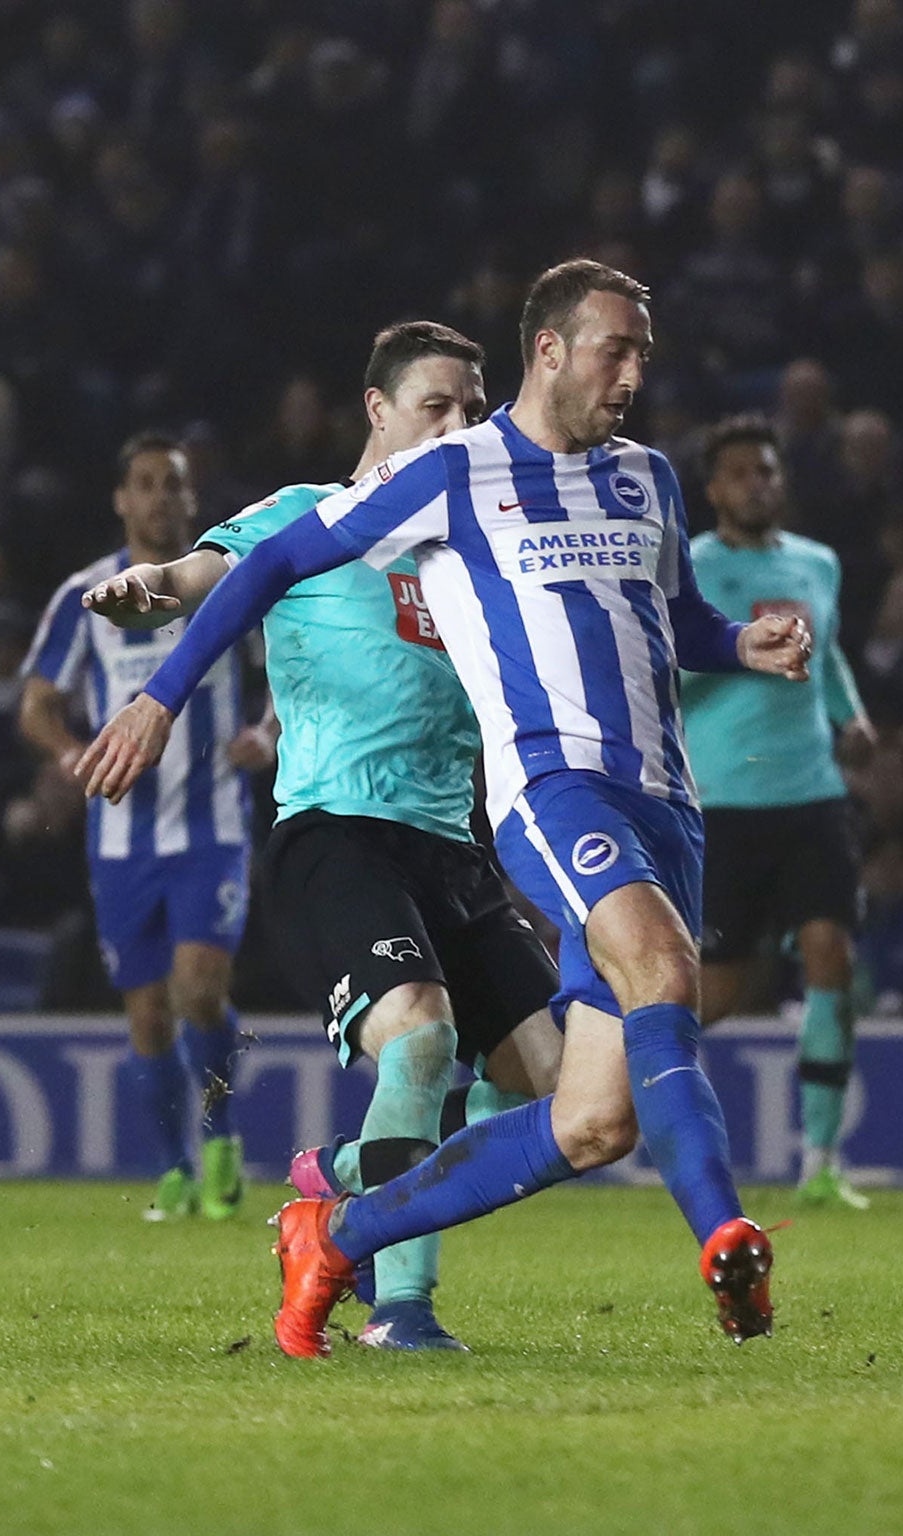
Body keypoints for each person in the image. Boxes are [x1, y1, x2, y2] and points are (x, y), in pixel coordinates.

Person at [78, 259, 813, 1355]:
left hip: (490, 832)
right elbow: (248, 563)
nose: (634, 370)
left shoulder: (636, 480)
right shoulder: (418, 487)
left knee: (585, 1114)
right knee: (452, 1038)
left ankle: (340, 1212)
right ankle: (452, 1300)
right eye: (616, 346)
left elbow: (665, 615)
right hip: (387, 822)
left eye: (467, 406)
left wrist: (739, 644)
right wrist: (158, 675)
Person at [81, 322, 565, 1350]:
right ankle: (401, 1313)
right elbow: (204, 575)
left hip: (456, 849)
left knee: (565, 1091)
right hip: (337, 835)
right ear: (378, 411)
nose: (459, 427)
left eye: (473, 409)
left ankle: (339, 1182)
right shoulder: (307, 516)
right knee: (424, 1039)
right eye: (436, 406)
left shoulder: (466, 540)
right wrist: (147, 591)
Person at [20, 432, 270, 1222]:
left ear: (193, 501)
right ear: (121, 499)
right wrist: (69, 756)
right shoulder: (85, 595)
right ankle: (172, 1170)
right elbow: (37, 705)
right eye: (146, 484)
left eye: (174, 484)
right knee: (148, 1015)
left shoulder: (225, 580)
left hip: (211, 828)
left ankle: (221, 1134)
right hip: (122, 839)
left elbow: (288, 677)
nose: (160, 497)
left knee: (199, 989)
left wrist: (263, 737)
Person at [683, 413, 876, 1209]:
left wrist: (851, 715)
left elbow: (825, 652)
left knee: (832, 955)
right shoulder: (688, 567)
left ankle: (821, 1163)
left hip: (812, 793)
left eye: (766, 470)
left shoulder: (817, 564)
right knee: (719, 991)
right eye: (739, 473)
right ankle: (600, 1087)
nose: (756, 484)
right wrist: (738, 648)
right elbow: (668, 664)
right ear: (714, 489)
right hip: (725, 801)